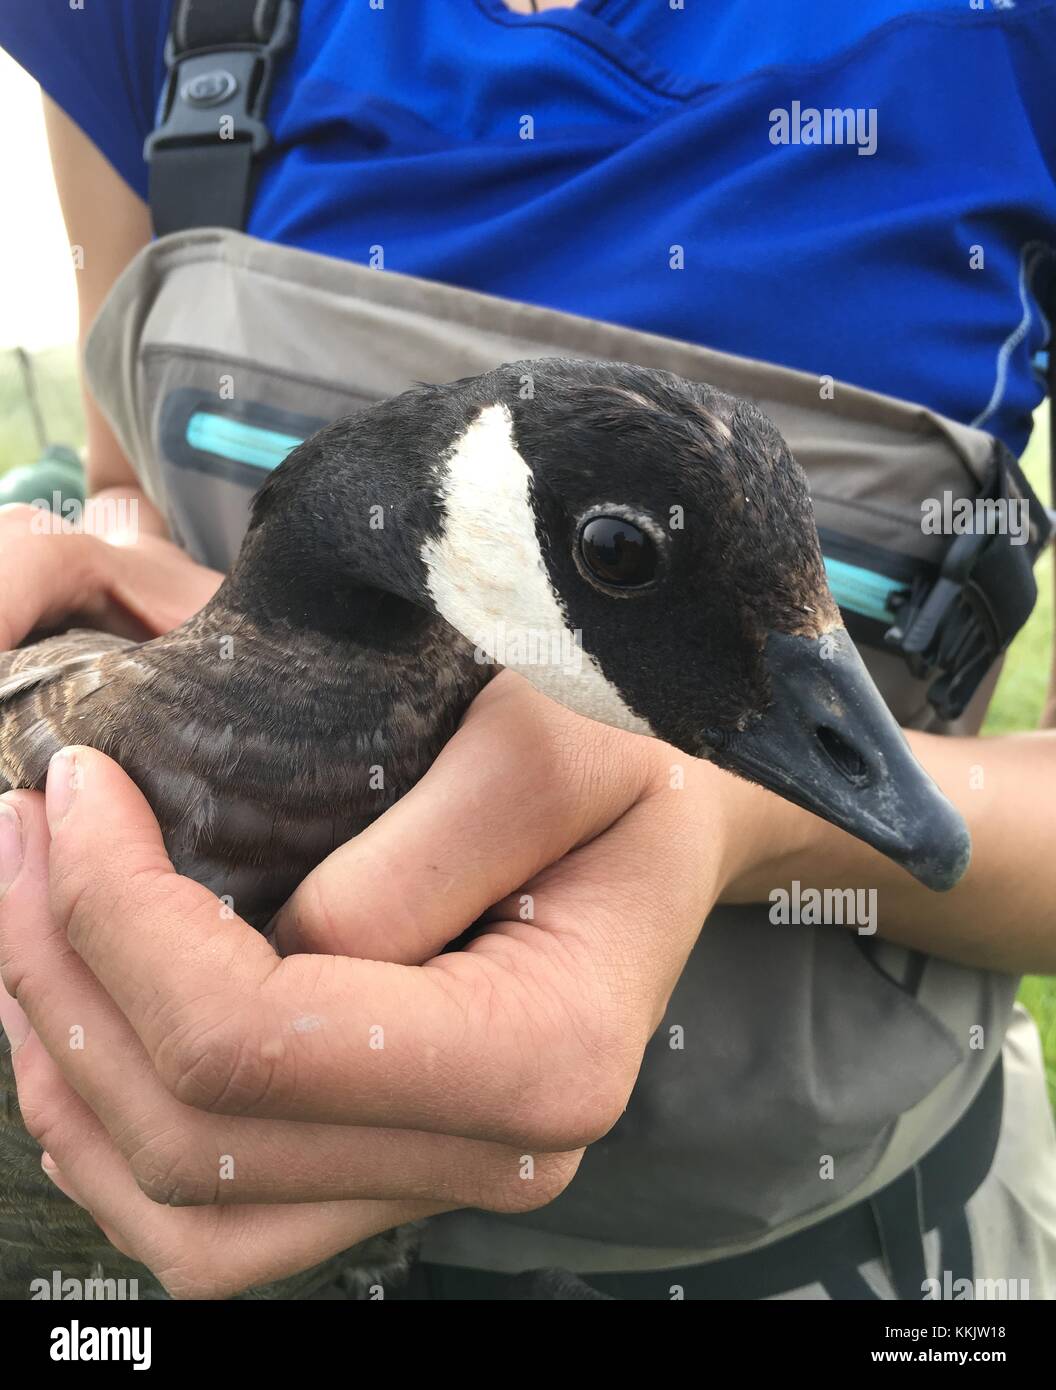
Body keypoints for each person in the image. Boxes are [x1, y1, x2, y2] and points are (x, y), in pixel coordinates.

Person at [0, 0, 1054, 1301]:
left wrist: (731, 821)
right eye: (619, 558)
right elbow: (125, 485)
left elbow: (951, 830)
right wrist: (100, 558)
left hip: (856, 1254)